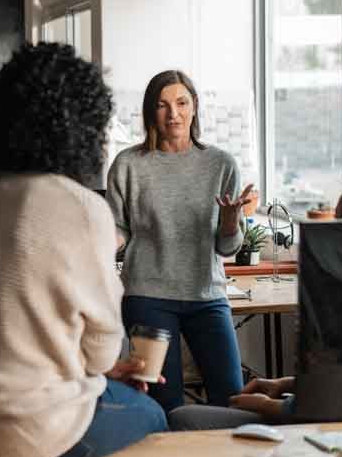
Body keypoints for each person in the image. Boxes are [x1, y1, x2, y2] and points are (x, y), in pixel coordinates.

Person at [0, 42, 167, 457]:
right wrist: (99, 369)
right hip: (27, 434)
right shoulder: (80, 207)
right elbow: (99, 351)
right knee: (153, 415)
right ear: (83, 129)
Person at [168, 177, 342, 430]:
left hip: (322, 426)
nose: (329, 228)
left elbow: (335, 408)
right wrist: (283, 384)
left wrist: (265, 405)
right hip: (319, 411)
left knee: (183, 418)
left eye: (338, 219)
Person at [106, 69, 253, 413]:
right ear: (149, 112)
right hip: (147, 297)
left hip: (207, 295)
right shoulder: (128, 164)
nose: (173, 114)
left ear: (195, 106)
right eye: (162, 105)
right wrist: (98, 244)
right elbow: (118, 229)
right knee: (163, 404)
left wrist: (231, 221)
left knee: (232, 400)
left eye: (182, 103)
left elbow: (228, 247)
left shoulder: (221, 164)